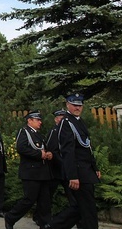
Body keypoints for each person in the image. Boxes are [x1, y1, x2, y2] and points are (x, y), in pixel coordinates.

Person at [44, 94, 101, 229]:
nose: (77, 107)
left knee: (80, 207)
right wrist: (72, 175)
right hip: (79, 171)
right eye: (74, 105)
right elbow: (67, 152)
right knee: (88, 208)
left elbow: (87, 148)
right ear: (67, 105)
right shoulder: (67, 122)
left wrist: (95, 167)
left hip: (86, 170)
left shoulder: (79, 121)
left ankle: (53, 227)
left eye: (79, 105)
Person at [4, 111, 52, 229]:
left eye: (40, 120)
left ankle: (44, 222)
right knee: (29, 199)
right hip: (30, 172)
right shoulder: (24, 132)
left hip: (42, 171)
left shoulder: (38, 134)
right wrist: (38, 154)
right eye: (37, 120)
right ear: (29, 120)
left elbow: (43, 149)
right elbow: (21, 148)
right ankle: (11, 217)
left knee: (44, 199)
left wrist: (48, 154)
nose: (40, 122)